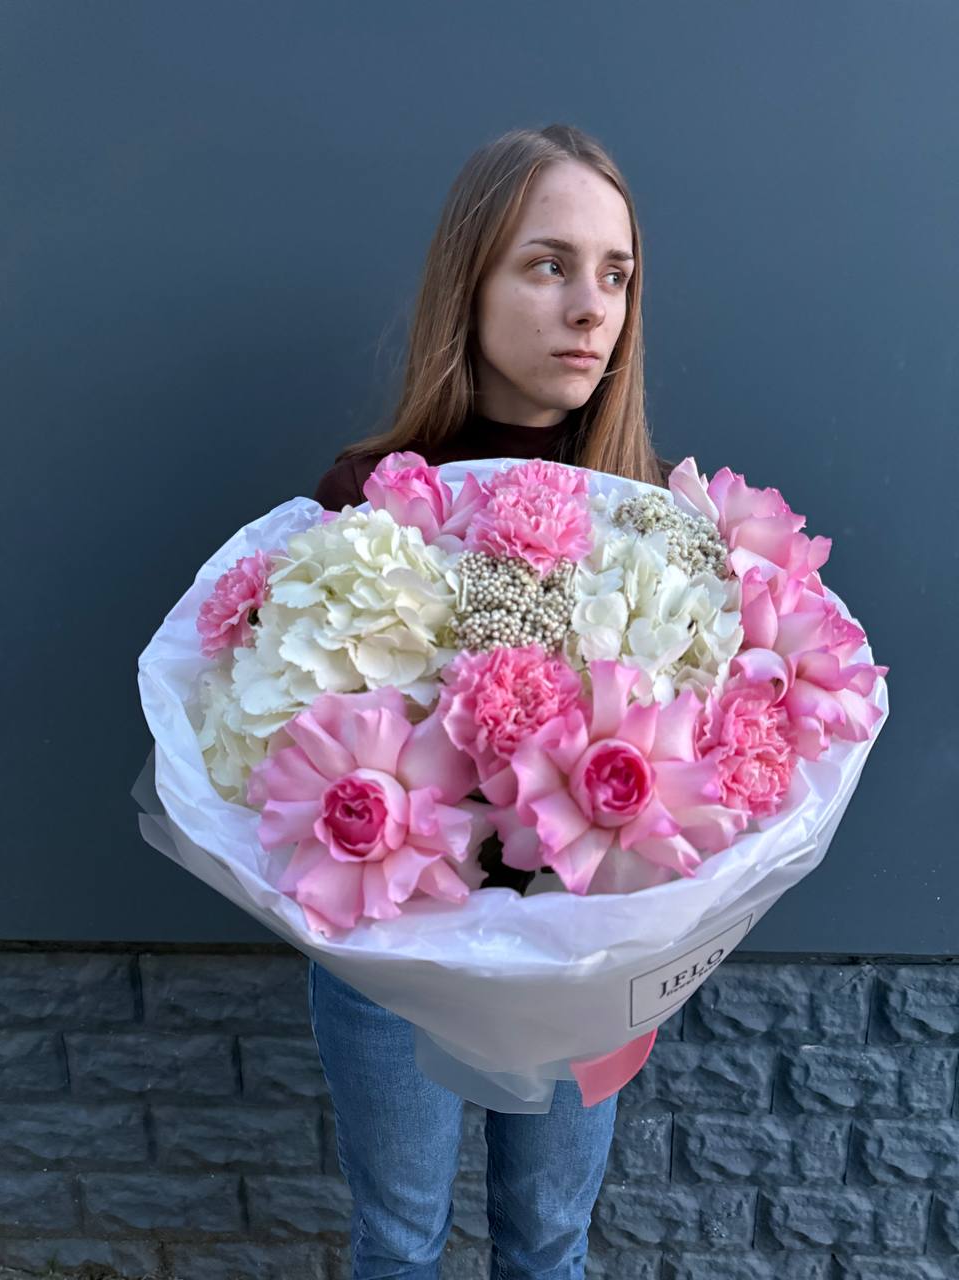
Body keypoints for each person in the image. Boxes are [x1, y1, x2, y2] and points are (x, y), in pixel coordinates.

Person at [308, 123, 674, 1280]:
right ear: (468, 281)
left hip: (582, 956)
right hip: (393, 955)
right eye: (548, 264)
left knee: (550, 1242)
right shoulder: (366, 504)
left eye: (615, 274)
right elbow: (293, 764)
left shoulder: (655, 525)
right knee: (400, 1242)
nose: (591, 306)